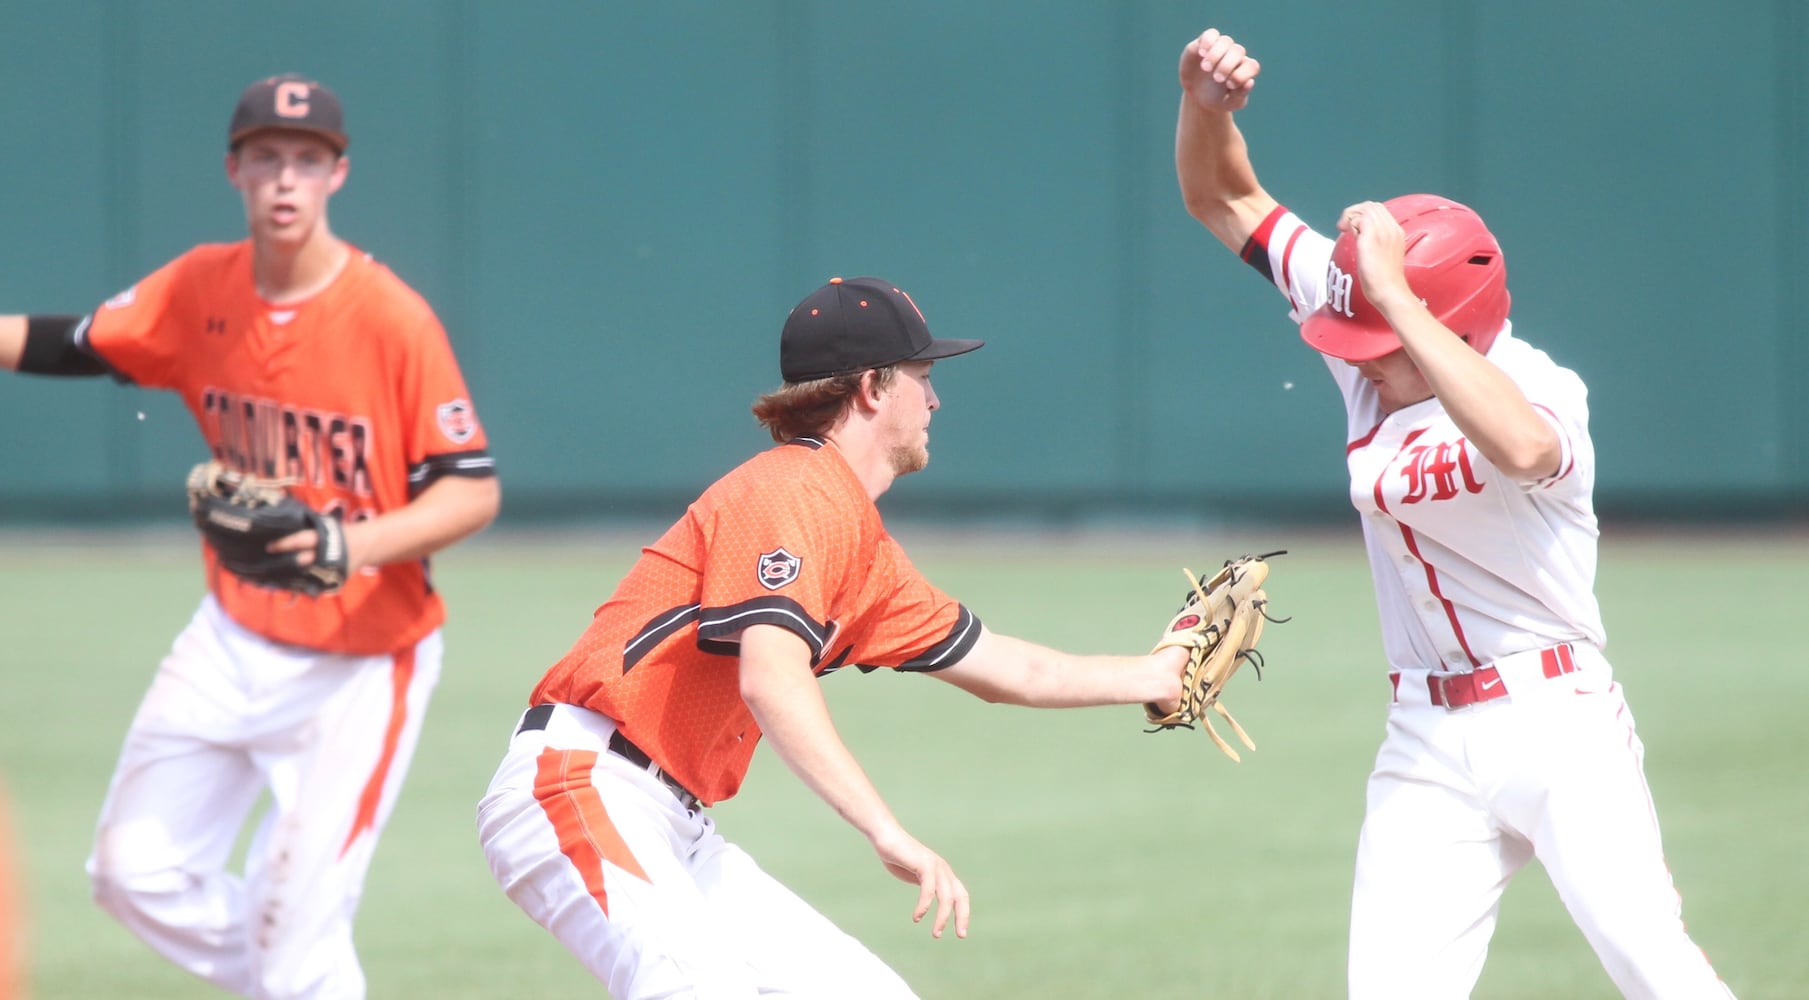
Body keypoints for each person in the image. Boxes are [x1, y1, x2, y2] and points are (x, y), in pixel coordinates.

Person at [1173, 27, 1734, 1000]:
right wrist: (1205, 107)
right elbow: (1223, 199)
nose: (1350, 353)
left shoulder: (1540, 386)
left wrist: (1397, 296)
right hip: (1425, 735)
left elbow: (1519, 448)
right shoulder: (1368, 341)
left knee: (1654, 966)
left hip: (1558, 721)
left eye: (1372, 335)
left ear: (1451, 320)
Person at [476, 275, 1194, 998]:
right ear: (873, 388)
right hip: (581, 785)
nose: (935, 400)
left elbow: (1011, 671)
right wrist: (884, 828)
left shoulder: (857, 541)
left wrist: (1154, 675)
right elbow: (769, 676)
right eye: (922, 376)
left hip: (672, 824)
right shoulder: (792, 491)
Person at [0, 74, 501, 998]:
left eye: (307, 161)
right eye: (267, 157)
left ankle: (298, 970)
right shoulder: (199, 288)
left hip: (362, 661)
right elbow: (78, 342)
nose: (285, 179)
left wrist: (351, 545)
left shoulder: (392, 319)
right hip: (231, 638)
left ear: (337, 177)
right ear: (234, 169)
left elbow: (471, 494)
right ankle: (299, 976)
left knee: (294, 938)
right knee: (130, 874)